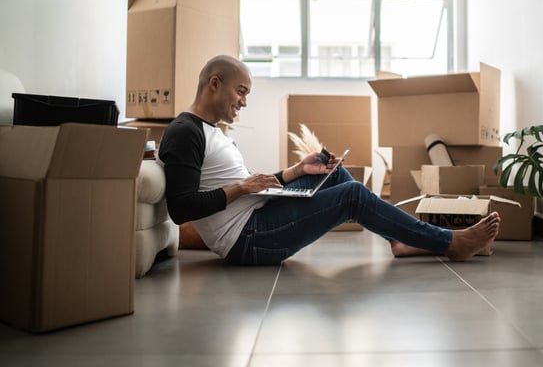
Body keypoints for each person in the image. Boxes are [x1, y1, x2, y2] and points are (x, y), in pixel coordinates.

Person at [157, 54, 500, 266]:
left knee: (335, 176)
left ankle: (401, 240)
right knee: (352, 197)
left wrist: (299, 170)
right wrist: (241, 186)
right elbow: (181, 209)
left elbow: (254, 189)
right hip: (247, 241)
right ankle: (450, 243)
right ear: (214, 84)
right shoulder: (185, 132)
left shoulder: (212, 131)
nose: (243, 102)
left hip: (257, 219)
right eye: (241, 91)